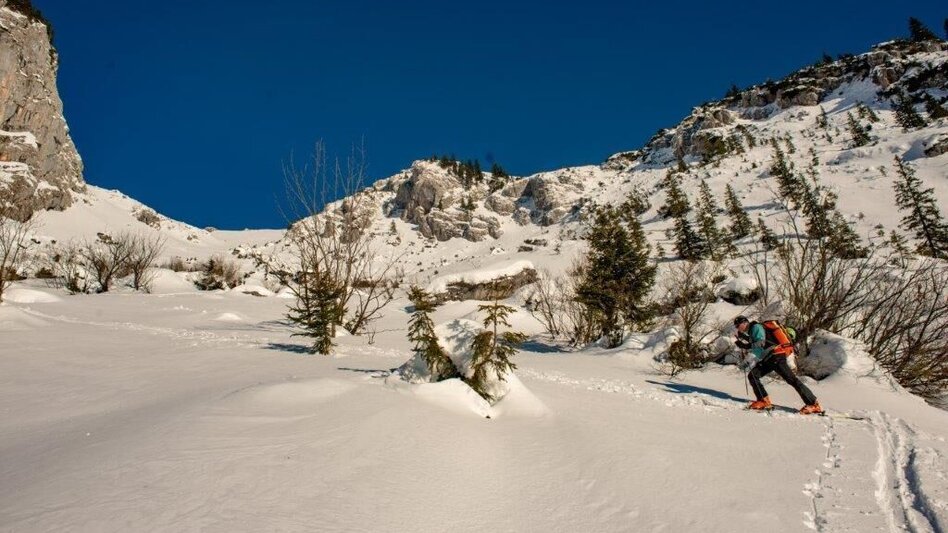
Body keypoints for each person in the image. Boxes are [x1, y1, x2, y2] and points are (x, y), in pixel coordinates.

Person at [734, 315, 823, 414]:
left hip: (776, 356)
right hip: (768, 358)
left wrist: (745, 345)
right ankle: (763, 401)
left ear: (745, 322)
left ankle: (813, 404)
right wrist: (743, 337)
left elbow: (761, 342)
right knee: (753, 375)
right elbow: (757, 340)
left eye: (738, 326)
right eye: (736, 327)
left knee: (792, 380)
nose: (737, 328)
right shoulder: (752, 331)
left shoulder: (756, 327)